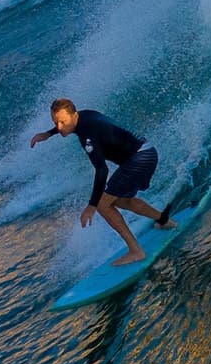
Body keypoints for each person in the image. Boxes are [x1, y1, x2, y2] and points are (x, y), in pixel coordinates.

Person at [36, 99, 178, 264]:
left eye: (62, 122)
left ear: (74, 115)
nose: (60, 127)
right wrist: (48, 133)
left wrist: (92, 205)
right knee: (123, 201)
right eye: (56, 123)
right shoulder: (83, 116)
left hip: (139, 158)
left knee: (104, 205)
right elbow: (66, 126)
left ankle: (136, 251)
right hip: (145, 151)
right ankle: (164, 220)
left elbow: (102, 170)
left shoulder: (87, 136)